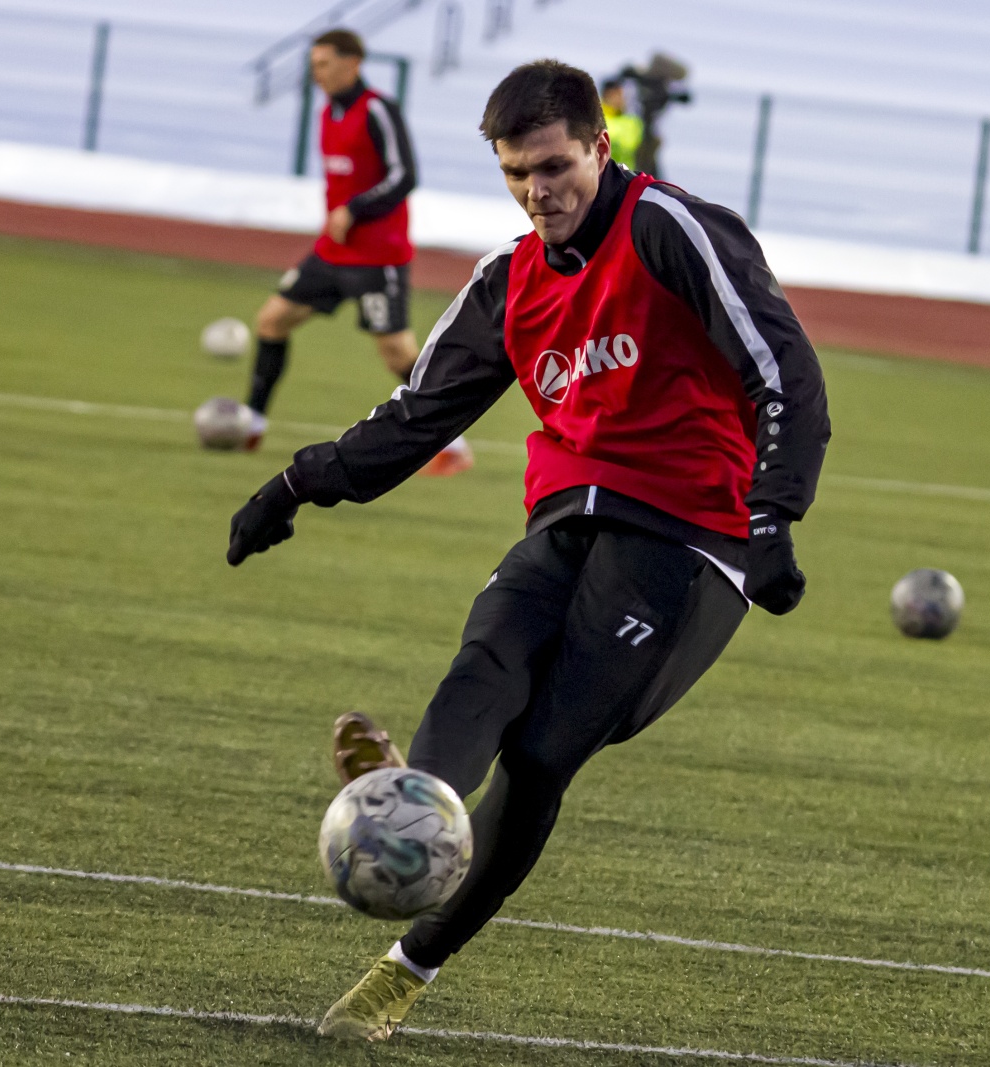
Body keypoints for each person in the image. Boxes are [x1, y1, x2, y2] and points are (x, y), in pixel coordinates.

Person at [226, 59, 830, 1041]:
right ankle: (413, 799)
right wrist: (295, 484)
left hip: (687, 538)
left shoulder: (669, 229)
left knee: (541, 756)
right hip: (563, 517)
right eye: (516, 173)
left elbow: (784, 369)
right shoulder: (508, 279)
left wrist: (772, 516)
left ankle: (404, 968)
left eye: (554, 167)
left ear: (599, 146)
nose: (537, 191)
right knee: (486, 661)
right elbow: (417, 415)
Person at [243, 27, 472, 475]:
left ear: (352, 63)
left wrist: (355, 208)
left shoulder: (378, 110)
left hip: (377, 257)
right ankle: (250, 423)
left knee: (398, 353)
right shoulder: (327, 112)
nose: (317, 74)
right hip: (331, 253)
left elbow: (404, 175)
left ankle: (454, 442)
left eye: (324, 64)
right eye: (313, 66)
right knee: (272, 320)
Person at [600, 76, 643, 169]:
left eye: (622, 95)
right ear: (607, 94)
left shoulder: (632, 121)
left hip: (626, 174)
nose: (621, 99)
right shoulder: (595, 118)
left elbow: (632, 144)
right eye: (617, 94)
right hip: (602, 173)